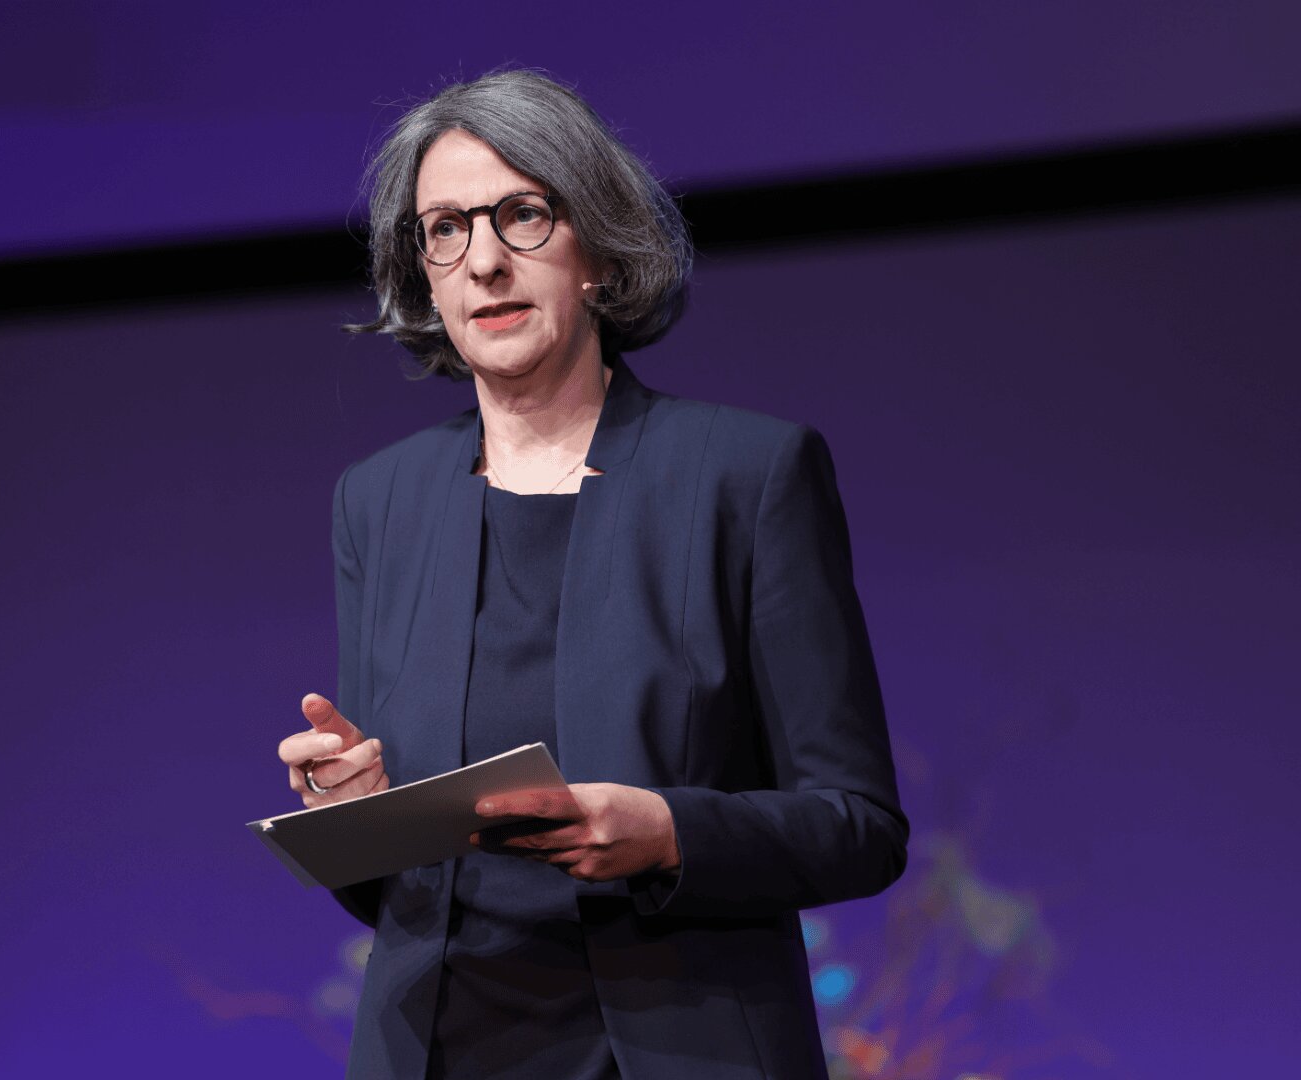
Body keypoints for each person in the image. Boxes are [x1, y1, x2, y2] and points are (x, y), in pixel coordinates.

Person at [274, 70, 907, 1079]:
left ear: (601, 258)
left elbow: (857, 829)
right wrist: (361, 811)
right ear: (425, 277)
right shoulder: (379, 500)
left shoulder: (745, 475)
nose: (482, 260)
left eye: (521, 215)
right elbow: (399, 900)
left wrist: (668, 832)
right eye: (444, 229)